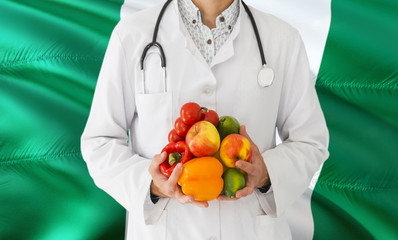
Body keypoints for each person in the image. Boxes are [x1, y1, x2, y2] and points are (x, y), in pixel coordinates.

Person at [81, 0, 329, 239]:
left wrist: (266, 175)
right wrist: (152, 186)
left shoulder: (282, 39)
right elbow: (99, 142)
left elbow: (310, 141)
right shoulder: (132, 35)